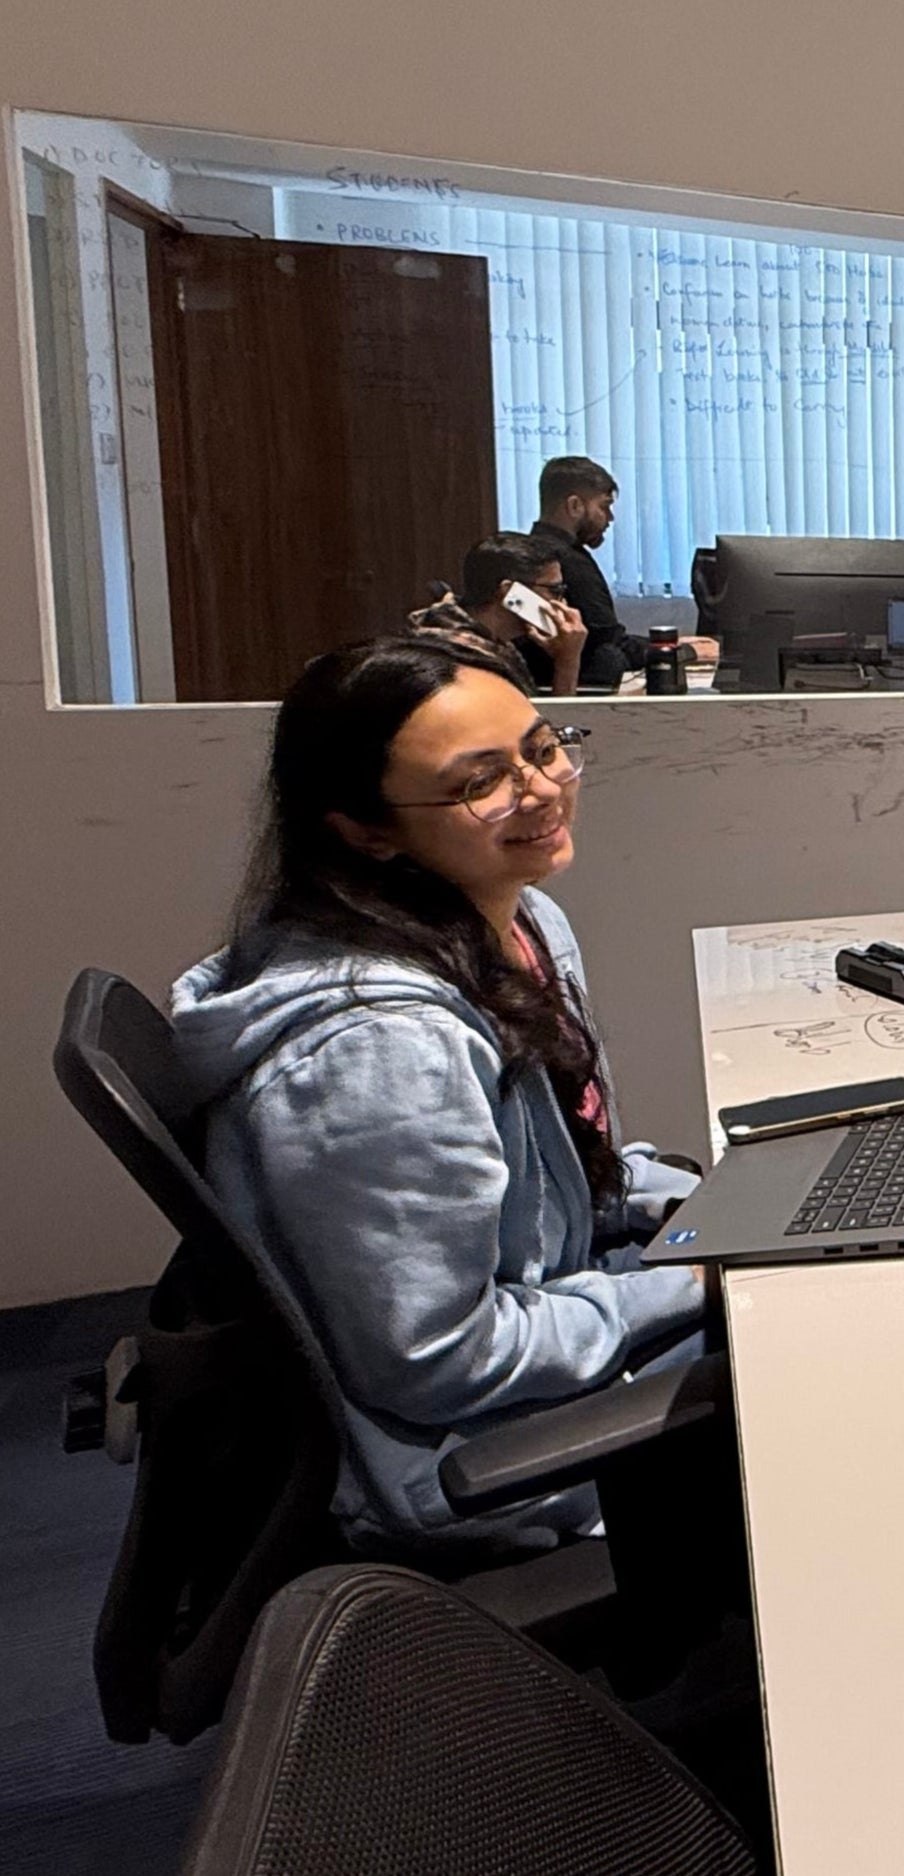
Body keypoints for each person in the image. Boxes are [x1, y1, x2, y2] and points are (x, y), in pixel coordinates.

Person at [172, 635, 706, 1548]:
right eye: (478, 783)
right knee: (828, 1364)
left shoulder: (516, 918)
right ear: (364, 828)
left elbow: (562, 1171)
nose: (540, 789)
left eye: (542, 748)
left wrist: (718, 1210)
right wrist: (690, 1282)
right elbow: (440, 1358)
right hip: (467, 1455)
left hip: (547, 1316)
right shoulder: (381, 1051)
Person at [530, 454, 715, 687]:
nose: (610, 518)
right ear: (575, 506)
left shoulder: (537, 551)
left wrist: (670, 643)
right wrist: (682, 650)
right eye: (604, 507)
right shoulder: (565, 560)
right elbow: (608, 642)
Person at [410, 532, 588, 698]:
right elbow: (542, 729)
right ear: (510, 592)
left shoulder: (490, 644)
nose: (562, 603)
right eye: (554, 590)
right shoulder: (463, 657)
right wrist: (568, 662)